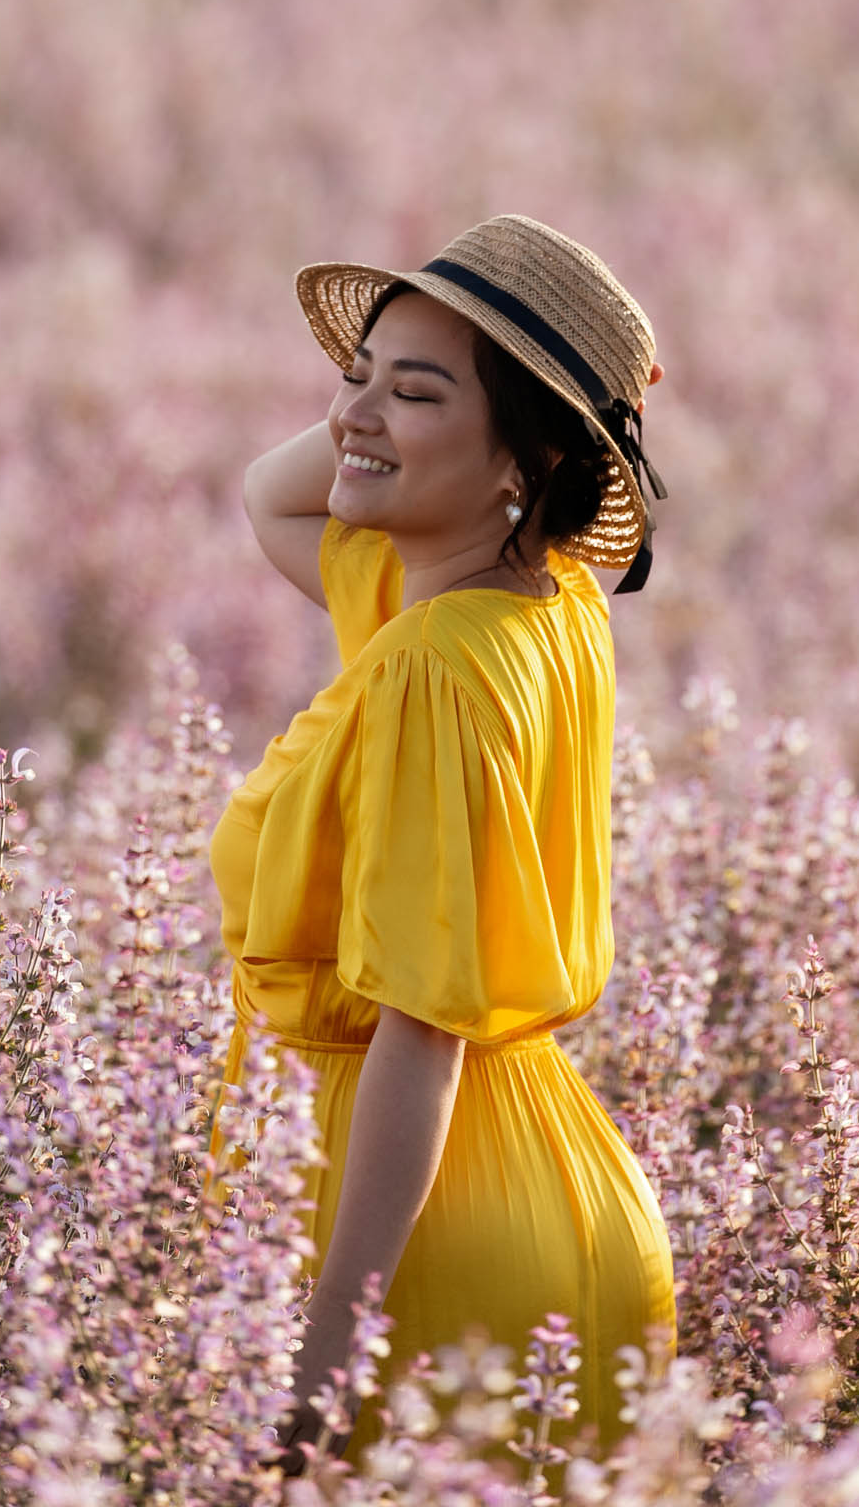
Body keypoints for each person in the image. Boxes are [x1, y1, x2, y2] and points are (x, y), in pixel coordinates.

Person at [207, 214, 677, 1474]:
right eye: (351, 375)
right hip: (557, 1193)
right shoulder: (545, 602)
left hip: (417, 1254)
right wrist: (399, 407)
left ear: (526, 454)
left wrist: (323, 1359)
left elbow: (419, 1035)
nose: (350, 415)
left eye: (417, 391)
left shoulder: (431, 667)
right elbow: (271, 492)